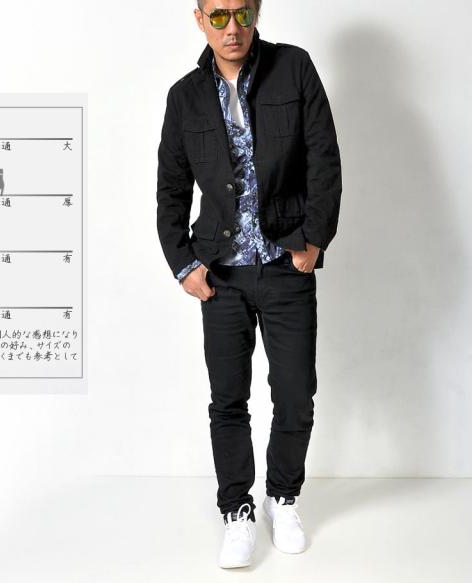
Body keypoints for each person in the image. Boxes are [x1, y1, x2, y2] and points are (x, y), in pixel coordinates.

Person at [156, 0, 342, 569]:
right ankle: (236, 508)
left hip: (286, 263)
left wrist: (314, 240)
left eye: (241, 13)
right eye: (218, 16)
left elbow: (324, 159)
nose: (231, 28)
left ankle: (282, 498)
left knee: (295, 394)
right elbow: (171, 188)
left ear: (256, 12)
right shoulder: (185, 97)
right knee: (228, 399)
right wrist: (184, 265)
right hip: (222, 275)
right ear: (200, 19)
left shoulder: (294, 67)